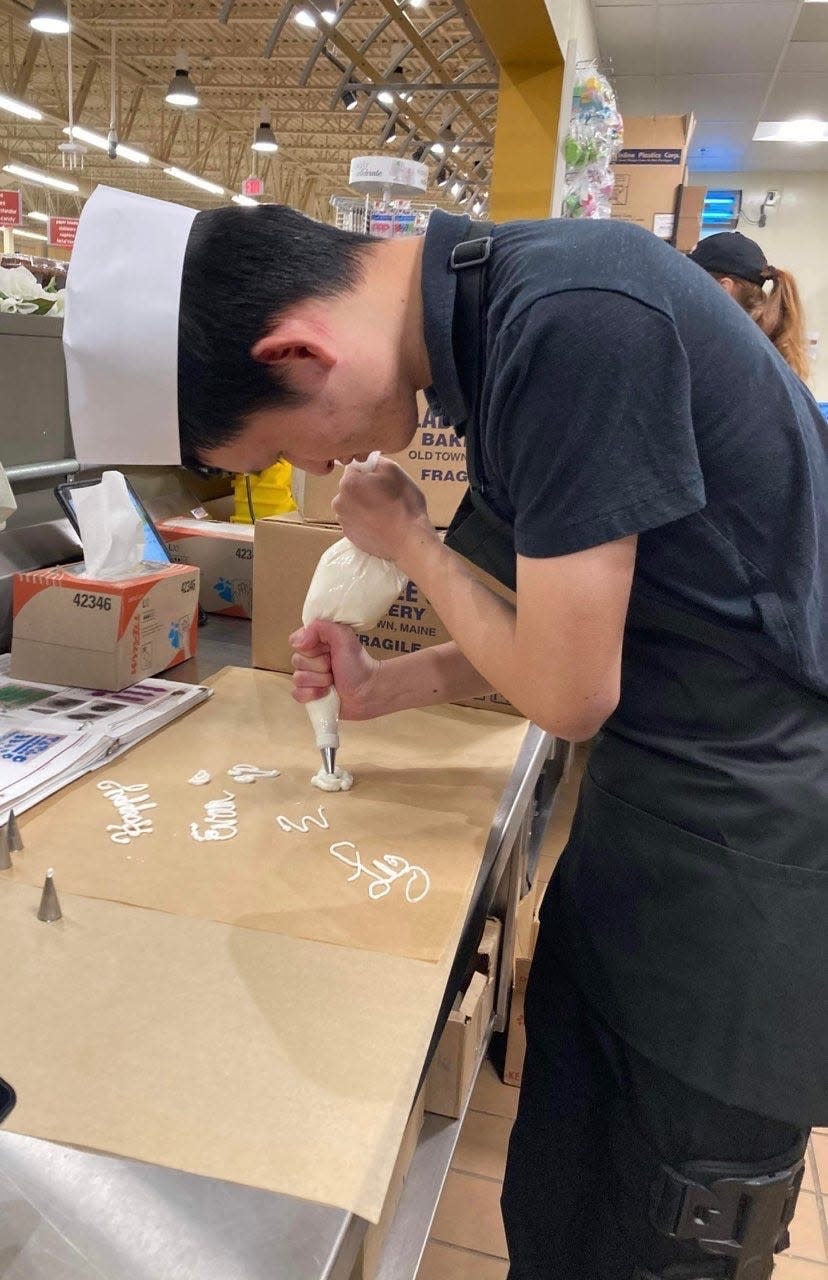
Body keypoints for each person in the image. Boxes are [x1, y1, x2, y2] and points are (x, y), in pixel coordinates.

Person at [65, 188, 827, 1280]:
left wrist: (417, 546)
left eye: (296, 447)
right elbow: (568, 625)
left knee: (662, 1233)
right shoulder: (490, 327)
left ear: (298, 351)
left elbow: (569, 691)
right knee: (561, 1196)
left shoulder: (573, 316)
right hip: (657, 816)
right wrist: (390, 684)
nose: (325, 474)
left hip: (759, 863)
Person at [687, 230, 810, 379]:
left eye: (691, 282)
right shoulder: (762, 349)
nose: (685, 293)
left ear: (723, 288)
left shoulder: (732, 356)